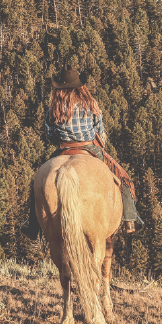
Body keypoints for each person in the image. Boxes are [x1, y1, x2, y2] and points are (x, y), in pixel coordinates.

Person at [20, 68, 143, 239]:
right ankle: (130, 219)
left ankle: (32, 224)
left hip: (63, 149)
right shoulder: (90, 104)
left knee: (37, 184)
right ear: (80, 86)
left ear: (60, 88)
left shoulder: (54, 108)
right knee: (122, 176)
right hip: (89, 148)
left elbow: (50, 135)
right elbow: (99, 130)